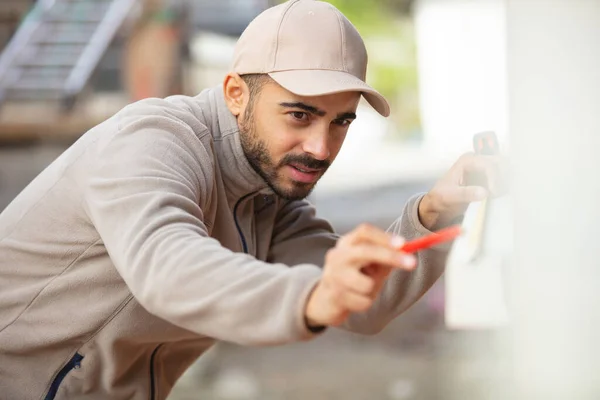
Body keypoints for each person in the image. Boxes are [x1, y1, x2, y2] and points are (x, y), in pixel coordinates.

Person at [0, 1, 501, 399]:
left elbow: (361, 303)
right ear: (236, 93)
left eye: (341, 121)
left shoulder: (268, 196)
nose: (321, 148)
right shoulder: (150, 142)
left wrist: (434, 212)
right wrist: (311, 295)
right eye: (299, 116)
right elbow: (169, 269)